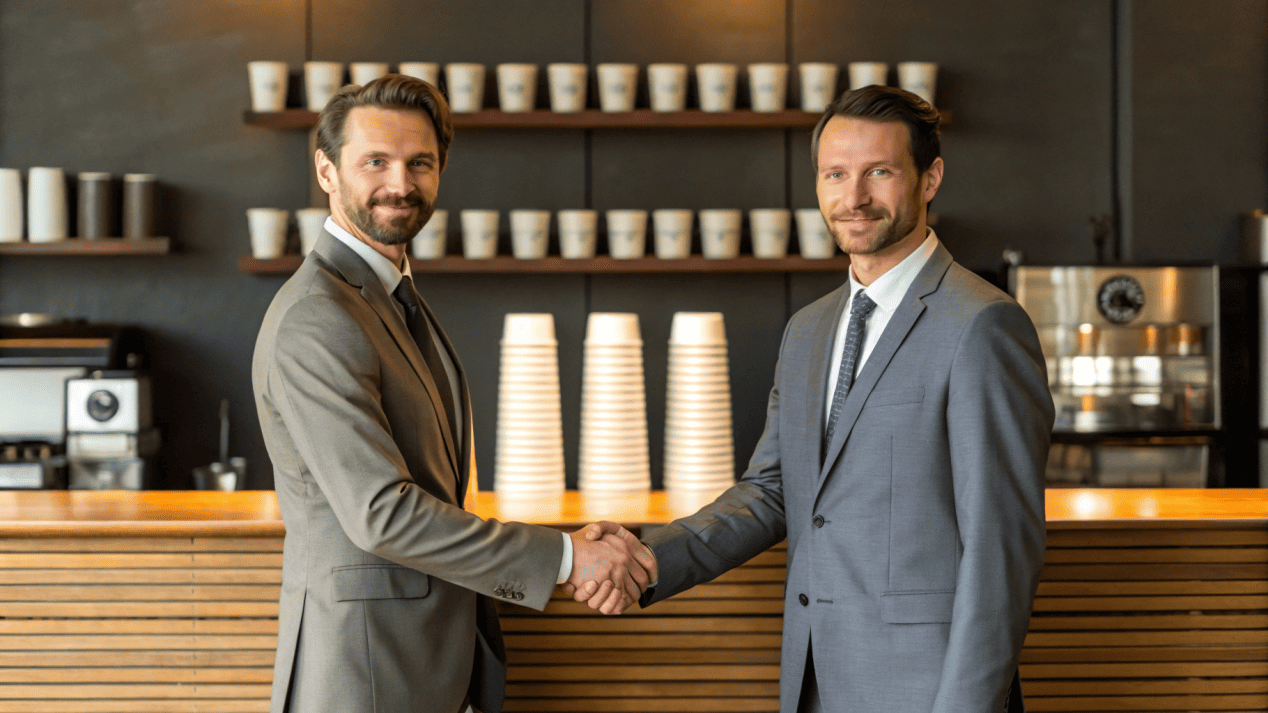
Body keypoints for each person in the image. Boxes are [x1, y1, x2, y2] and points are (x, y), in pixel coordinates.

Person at [575, 86, 1055, 712]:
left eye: (878, 172)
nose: (852, 198)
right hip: (814, 681)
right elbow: (772, 490)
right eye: (835, 174)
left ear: (930, 177)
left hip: (927, 691)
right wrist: (648, 558)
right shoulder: (810, 329)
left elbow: (1000, 554)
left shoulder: (983, 324)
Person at [252, 75, 652, 713]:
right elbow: (382, 513)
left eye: (420, 163)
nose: (400, 184)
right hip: (365, 674)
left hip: (420, 666)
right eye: (374, 162)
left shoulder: (391, 294)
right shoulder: (318, 316)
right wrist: (566, 557)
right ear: (326, 171)